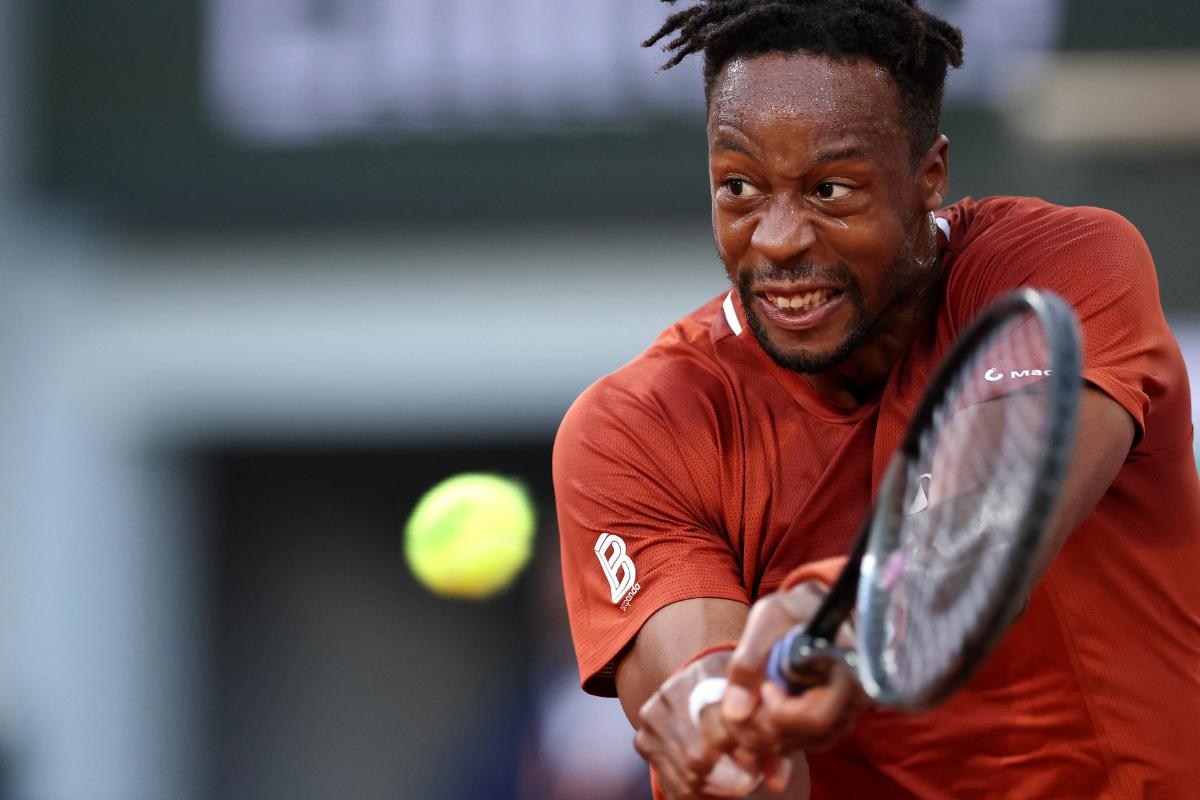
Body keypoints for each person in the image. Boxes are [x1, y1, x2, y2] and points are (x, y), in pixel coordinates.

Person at [552, 1, 1200, 797]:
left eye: (830, 190)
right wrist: (728, 737)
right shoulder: (633, 430)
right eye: (739, 187)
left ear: (929, 177)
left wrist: (832, 618)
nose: (778, 240)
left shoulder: (1068, 265)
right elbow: (720, 714)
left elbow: (996, 517)